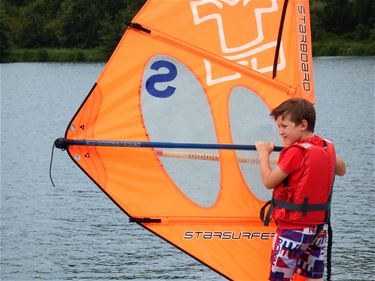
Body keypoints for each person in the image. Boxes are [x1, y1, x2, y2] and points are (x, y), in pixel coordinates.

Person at [255, 98, 346, 281]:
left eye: (284, 126)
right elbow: (341, 169)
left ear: (303, 125)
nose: (280, 132)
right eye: (278, 127)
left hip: (292, 232)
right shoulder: (325, 146)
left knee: (279, 278)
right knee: (314, 279)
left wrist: (263, 154)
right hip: (319, 231)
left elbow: (269, 181)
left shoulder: (295, 152)